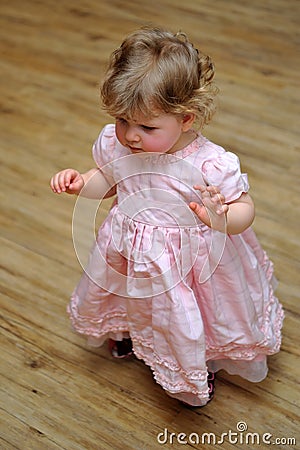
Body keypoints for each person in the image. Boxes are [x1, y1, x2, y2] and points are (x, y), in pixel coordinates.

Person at [50, 27, 284, 407]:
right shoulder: (115, 142)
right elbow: (109, 182)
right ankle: (129, 331)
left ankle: (194, 363)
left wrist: (221, 216)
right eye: (123, 121)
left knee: (187, 317)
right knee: (127, 296)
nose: (131, 136)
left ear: (186, 118)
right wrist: (82, 183)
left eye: (147, 126)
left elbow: (245, 209)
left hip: (189, 263)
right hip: (129, 249)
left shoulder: (210, 163)